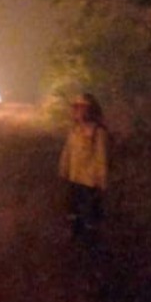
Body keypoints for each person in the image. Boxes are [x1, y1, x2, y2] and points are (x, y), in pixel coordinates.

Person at [59, 92, 109, 243]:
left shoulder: (97, 132)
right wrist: (63, 168)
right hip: (74, 177)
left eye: (82, 107)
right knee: (72, 206)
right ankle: (74, 234)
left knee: (89, 210)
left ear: (90, 110)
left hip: (90, 180)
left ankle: (90, 239)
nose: (78, 111)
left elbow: (101, 157)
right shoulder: (75, 129)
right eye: (76, 107)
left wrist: (102, 180)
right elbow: (68, 150)